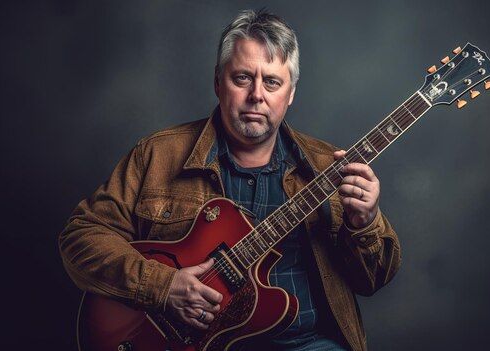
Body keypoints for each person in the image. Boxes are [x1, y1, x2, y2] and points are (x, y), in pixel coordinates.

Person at [59, 9, 400, 351]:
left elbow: (373, 281)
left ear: (290, 93)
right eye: (242, 78)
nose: (257, 95)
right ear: (218, 82)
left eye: (272, 81)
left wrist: (365, 222)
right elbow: (81, 237)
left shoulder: (329, 168)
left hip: (306, 343)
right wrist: (164, 286)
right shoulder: (158, 155)